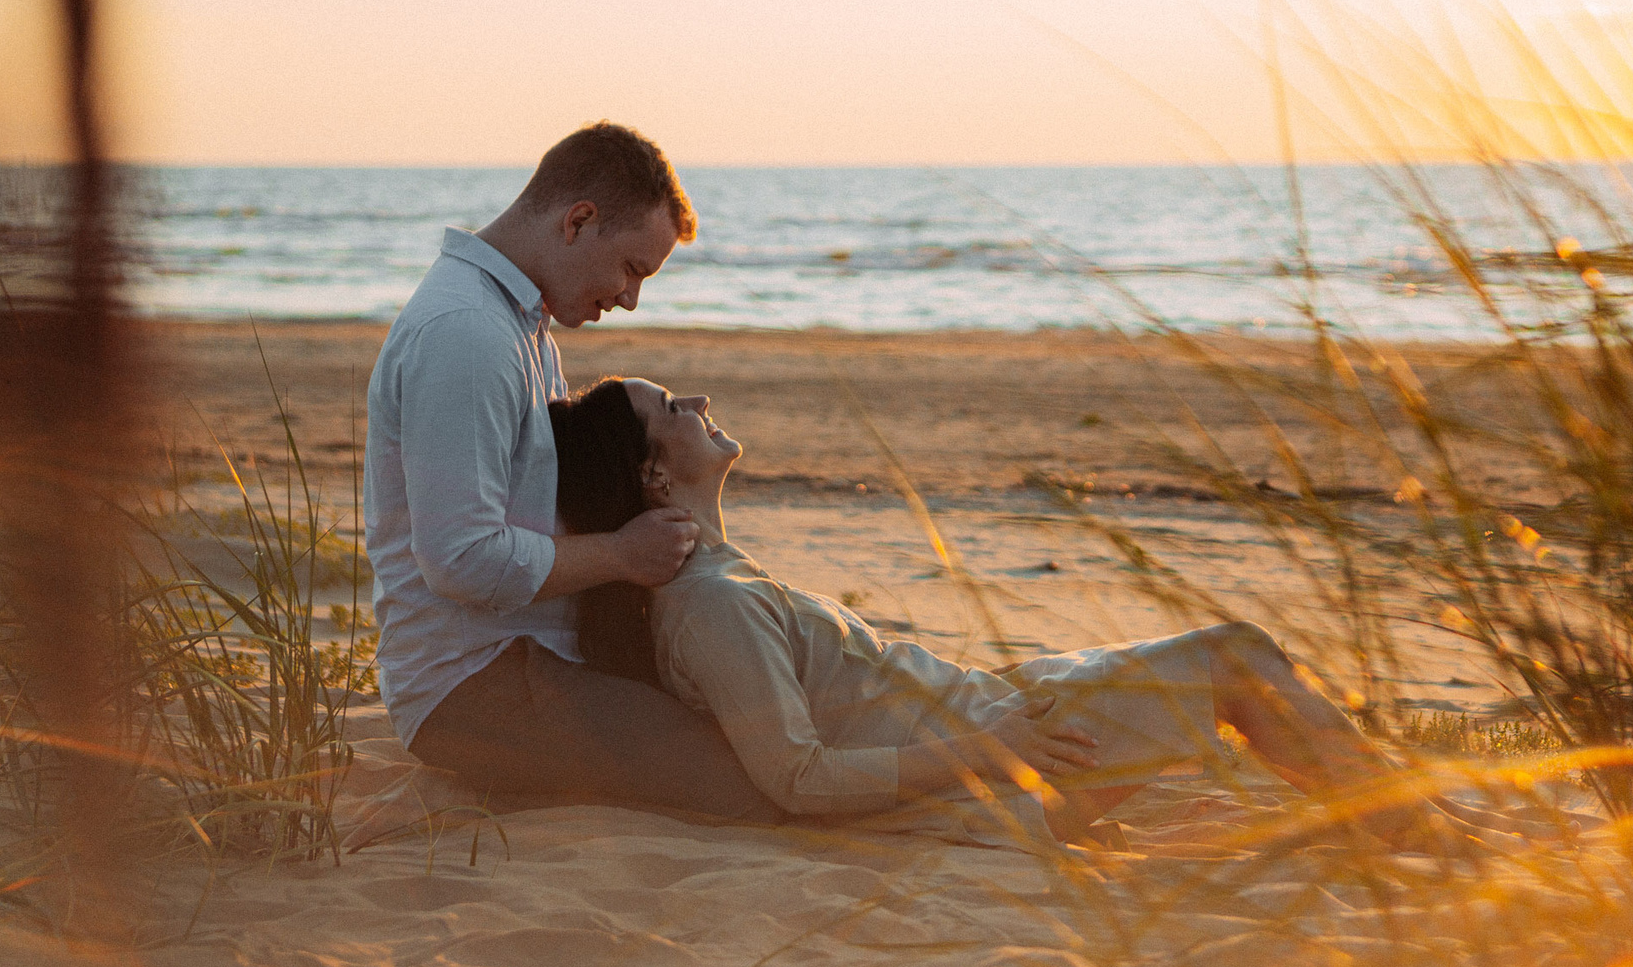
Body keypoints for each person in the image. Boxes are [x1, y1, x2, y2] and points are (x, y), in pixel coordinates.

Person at [545, 374, 1399, 845]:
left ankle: (1389, 818)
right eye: (670, 409)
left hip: (998, 706)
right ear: (656, 476)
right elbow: (798, 780)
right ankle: (1419, 837)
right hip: (1007, 765)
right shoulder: (708, 605)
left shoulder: (718, 578)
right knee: (1237, 656)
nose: (694, 400)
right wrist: (995, 749)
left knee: (1227, 660)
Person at [364, 122, 780, 822]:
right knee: (757, 778)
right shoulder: (467, 335)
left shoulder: (521, 326)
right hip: (473, 683)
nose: (629, 299)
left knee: (772, 724)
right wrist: (621, 554)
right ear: (578, 220)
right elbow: (459, 561)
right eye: (632, 269)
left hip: (534, 653)